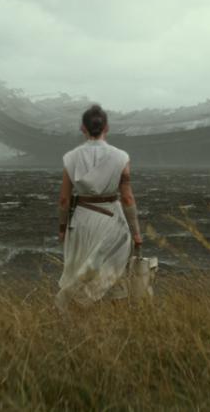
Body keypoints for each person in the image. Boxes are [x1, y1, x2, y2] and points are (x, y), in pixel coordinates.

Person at [55, 105, 143, 310]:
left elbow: (64, 200)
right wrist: (136, 233)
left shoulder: (71, 158)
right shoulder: (121, 157)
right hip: (112, 220)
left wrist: (62, 228)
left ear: (83, 128)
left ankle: (77, 316)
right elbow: (127, 198)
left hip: (81, 221)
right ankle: (114, 321)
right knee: (115, 276)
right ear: (107, 128)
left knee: (80, 272)